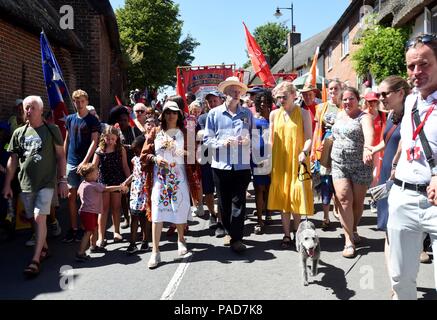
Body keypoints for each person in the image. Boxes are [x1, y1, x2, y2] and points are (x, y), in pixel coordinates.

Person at [388, 34, 437, 300]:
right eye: (411, 66)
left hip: (435, 202)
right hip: (403, 197)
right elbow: (410, 138)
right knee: (400, 278)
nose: (417, 72)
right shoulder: (409, 101)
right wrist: (395, 165)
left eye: (425, 64)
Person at [3, 96, 68, 276]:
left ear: (40, 110)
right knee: (32, 218)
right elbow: (13, 159)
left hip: (46, 182)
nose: (28, 111)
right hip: (25, 183)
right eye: (26, 108)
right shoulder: (18, 133)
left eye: (31, 108)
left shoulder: (52, 129)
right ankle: (44, 247)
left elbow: (61, 156)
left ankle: (35, 259)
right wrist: (8, 184)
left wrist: (62, 179)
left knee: (40, 217)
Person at [142, 101, 201, 268]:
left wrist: (180, 152)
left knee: (180, 208)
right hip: (160, 179)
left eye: (174, 112)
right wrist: (155, 159)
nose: (171, 115)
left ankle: (181, 240)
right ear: (163, 115)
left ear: (179, 115)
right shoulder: (155, 132)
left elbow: (192, 157)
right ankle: (155, 251)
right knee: (157, 212)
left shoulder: (186, 132)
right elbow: (144, 154)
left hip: (179, 177)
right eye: (167, 112)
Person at [366, 75, 410, 287]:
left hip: (406, 179)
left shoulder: (414, 115)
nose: (380, 98)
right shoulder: (391, 115)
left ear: (401, 93)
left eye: (385, 94)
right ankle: (395, 284)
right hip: (387, 178)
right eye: (379, 94)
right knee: (388, 231)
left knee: (405, 233)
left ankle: (405, 277)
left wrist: (395, 163)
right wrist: (371, 150)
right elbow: (387, 142)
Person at [204, 76, 253, 253]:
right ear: (225, 93)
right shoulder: (214, 114)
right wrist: (222, 142)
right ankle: (226, 229)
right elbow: (207, 140)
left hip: (241, 166)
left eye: (238, 91)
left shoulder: (247, 114)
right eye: (233, 91)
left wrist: (248, 140)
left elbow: (253, 137)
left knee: (239, 202)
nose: (236, 93)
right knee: (224, 203)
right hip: (221, 166)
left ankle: (237, 238)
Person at [267, 81, 313, 249]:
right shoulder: (273, 115)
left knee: (295, 196)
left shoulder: (304, 113)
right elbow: (271, 140)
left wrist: (305, 151)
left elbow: (309, 137)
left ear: (294, 95)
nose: (281, 100)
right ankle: (286, 235)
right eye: (278, 98)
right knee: (283, 197)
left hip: (298, 160)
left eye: (284, 97)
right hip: (279, 161)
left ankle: (298, 233)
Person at [331, 86, 374, 258]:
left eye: (351, 99)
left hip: (360, 165)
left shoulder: (364, 117)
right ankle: (349, 240)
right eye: (344, 99)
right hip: (339, 163)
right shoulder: (339, 116)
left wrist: (367, 148)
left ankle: (353, 227)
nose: (347, 102)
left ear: (358, 100)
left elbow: (369, 134)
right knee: (344, 199)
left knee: (357, 202)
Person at [64, 89, 101, 243]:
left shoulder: (92, 120)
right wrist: (64, 159)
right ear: (74, 102)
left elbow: (95, 141)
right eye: (76, 101)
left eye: (82, 101)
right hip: (71, 162)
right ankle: (74, 229)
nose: (79, 104)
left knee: (88, 198)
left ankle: (90, 230)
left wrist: (86, 161)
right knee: (71, 196)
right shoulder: (70, 119)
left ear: (86, 101)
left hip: (86, 164)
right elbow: (67, 139)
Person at [76, 163, 127, 261]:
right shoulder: (94, 185)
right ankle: (80, 253)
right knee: (88, 232)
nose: (98, 174)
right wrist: (119, 187)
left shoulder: (83, 184)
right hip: (89, 213)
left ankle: (93, 246)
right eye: (96, 173)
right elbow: (106, 189)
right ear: (89, 175)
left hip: (85, 211)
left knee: (94, 229)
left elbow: (78, 193)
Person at [311, 80, 343, 229]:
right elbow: (317, 130)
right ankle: (325, 217)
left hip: (342, 145)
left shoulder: (345, 106)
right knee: (325, 181)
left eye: (336, 88)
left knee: (340, 181)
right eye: (330, 89)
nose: (333, 91)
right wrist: (313, 150)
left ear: (341, 89)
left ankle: (340, 211)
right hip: (325, 146)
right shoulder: (321, 107)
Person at [92, 126, 131, 246]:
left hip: (117, 180)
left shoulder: (121, 150)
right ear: (103, 138)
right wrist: (92, 182)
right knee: (103, 209)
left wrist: (129, 181)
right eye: (108, 138)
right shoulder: (100, 150)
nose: (110, 141)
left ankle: (116, 231)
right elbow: (94, 167)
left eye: (113, 138)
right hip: (103, 181)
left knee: (116, 207)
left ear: (117, 138)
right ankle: (101, 236)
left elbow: (125, 166)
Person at [197, 91, 225, 236]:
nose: (212, 104)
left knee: (221, 191)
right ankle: (212, 215)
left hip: (222, 158)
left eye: (214, 100)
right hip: (206, 157)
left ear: (220, 100)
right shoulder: (201, 118)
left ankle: (221, 221)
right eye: (210, 101)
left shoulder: (225, 116)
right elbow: (197, 137)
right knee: (208, 190)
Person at [123, 135, 150, 254]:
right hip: (135, 192)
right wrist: (125, 182)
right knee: (133, 217)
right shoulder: (134, 160)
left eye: (137, 150)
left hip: (145, 192)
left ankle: (145, 242)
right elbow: (135, 174)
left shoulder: (149, 160)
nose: (136, 152)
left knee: (145, 218)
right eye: (134, 151)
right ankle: (132, 243)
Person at [252, 90, 273, 234]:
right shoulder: (253, 118)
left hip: (273, 156)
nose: (262, 103)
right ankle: (260, 220)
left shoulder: (275, 117)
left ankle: (269, 212)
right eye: (260, 100)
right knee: (259, 188)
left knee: (270, 187)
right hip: (257, 156)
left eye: (265, 100)